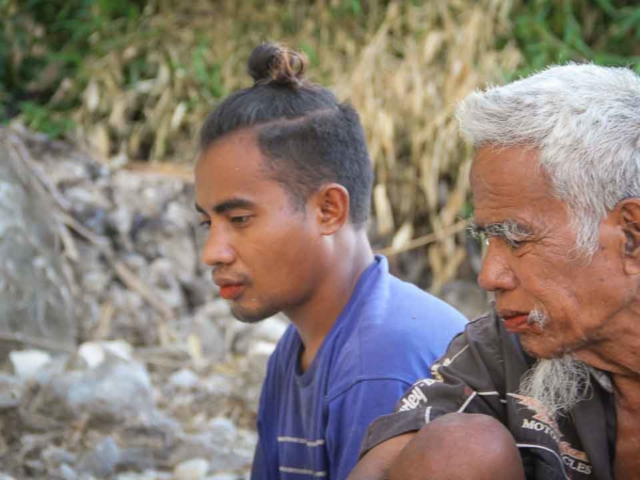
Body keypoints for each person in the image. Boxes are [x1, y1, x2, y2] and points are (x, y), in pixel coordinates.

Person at [348, 63, 640, 480]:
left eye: (518, 238)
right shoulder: (505, 346)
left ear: (631, 235)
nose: (489, 276)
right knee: (459, 449)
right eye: (489, 238)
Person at [193, 42, 467, 480]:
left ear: (328, 211)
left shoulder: (381, 366)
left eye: (239, 219)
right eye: (208, 223)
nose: (213, 252)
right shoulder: (296, 349)